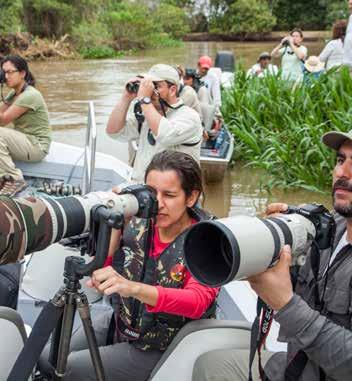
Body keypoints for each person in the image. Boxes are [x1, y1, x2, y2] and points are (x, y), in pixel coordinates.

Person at [192, 121, 352, 380]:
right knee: (211, 364)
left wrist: (284, 303)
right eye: (341, 160)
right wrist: (278, 248)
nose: (343, 172)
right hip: (304, 364)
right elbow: (318, 290)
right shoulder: (340, 224)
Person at [38, 150, 220, 380]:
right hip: (122, 323)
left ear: (191, 197)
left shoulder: (209, 239)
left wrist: (132, 288)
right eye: (152, 193)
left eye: (170, 195)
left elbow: (198, 302)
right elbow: (102, 268)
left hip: (162, 346)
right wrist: (115, 223)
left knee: (67, 368)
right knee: (47, 358)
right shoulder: (139, 218)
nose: (158, 204)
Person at [106, 64, 202, 183]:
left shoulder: (190, 117)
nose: (150, 91)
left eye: (156, 86)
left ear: (172, 90)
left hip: (172, 195)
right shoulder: (147, 114)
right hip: (144, 190)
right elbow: (114, 132)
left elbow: (165, 135)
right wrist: (126, 97)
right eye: (148, 85)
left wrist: (144, 100)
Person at [0, 54, 51, 196]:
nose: (6, 76)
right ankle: (3, 179)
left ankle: (15, 179)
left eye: (10, 72)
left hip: (37, 146)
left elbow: (2, 121)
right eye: (4, 72)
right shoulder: (13, 94)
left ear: (22, 73)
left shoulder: (30, 95)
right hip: (25, 141)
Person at [197, 56, 223, 130]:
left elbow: (216, 96)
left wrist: (217, 111)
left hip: (207, 103)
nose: (204, 70)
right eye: (203, 68)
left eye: (207, 69)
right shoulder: (192, 75)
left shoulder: (213, 77)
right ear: (198, 65)